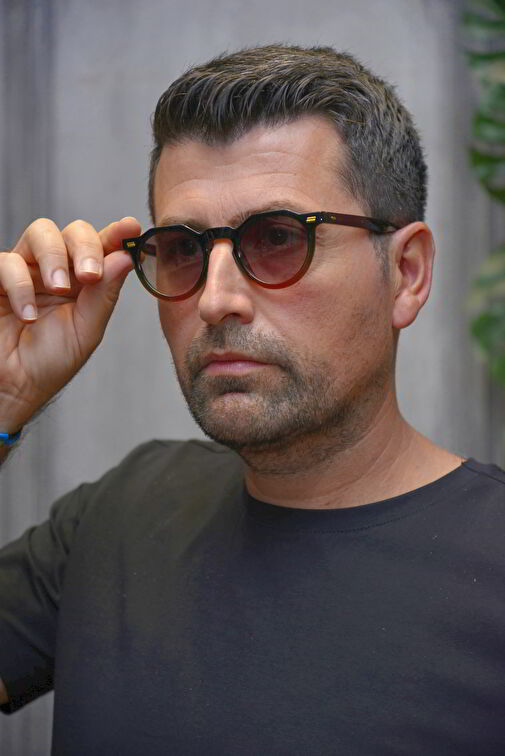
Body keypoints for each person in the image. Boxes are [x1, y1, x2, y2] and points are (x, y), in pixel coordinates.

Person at [0, 42, 504, 755]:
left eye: (277, 238)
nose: (215, 300)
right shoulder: (117, 514)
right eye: (183, 249)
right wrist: (5, 398)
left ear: (407, 273)